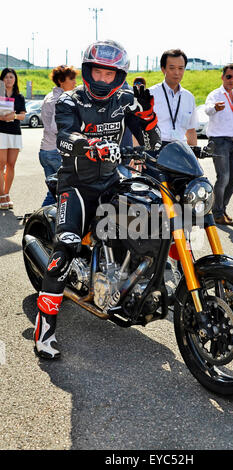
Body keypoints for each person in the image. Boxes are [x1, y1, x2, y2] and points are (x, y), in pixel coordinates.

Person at [33, 39, 161, 359]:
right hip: (76, 185)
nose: (103, 80)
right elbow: (64, 137)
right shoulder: (69, 101)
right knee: (66, 245)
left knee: (148, 220)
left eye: (110, 74)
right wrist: (90, 145)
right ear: (87, 71)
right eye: (97, 73)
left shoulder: (126, 99)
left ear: (119, 77)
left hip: (112, 180)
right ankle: (45, 327)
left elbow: (149, 136)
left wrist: (147, 112)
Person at [204, 64, 233, 225]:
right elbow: (207, 110)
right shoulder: (215, 94)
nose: (231, 80)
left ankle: (221, 209)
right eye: (228, 76)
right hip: (218, 141)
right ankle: (217, 213)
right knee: (223, 178)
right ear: (222, 77)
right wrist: (214, 108)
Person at [39, 65, 78, 206]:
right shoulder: (60, 99)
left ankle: (43, 222)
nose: (75, 82)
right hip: (55, 152)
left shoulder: (50, 96)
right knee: (62, 190)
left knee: (54, 190)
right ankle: (40, 219)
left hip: (45, 151)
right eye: (71, 79)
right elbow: (57, 127)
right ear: (61, 81)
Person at [149, 49, 198, 147]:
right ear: (163, 69)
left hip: (180, 148)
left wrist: (194, 156)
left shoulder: (189, 97)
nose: (177, 73)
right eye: (172, 68)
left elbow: (191, 130)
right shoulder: (150, 94)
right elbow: (138, 128)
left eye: (181, 68)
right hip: (155, 148)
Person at [0, 68, 26, 210]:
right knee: (1, 163)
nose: (8, 79)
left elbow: (23, 115)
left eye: (11, 77)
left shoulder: (19, 97)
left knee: (11, 164)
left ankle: (6, 193)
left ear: (15, 79)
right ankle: (1, 196)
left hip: (15, 132)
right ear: (2, 79)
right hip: (1, 132)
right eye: (6, 77)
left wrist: (14, 116)